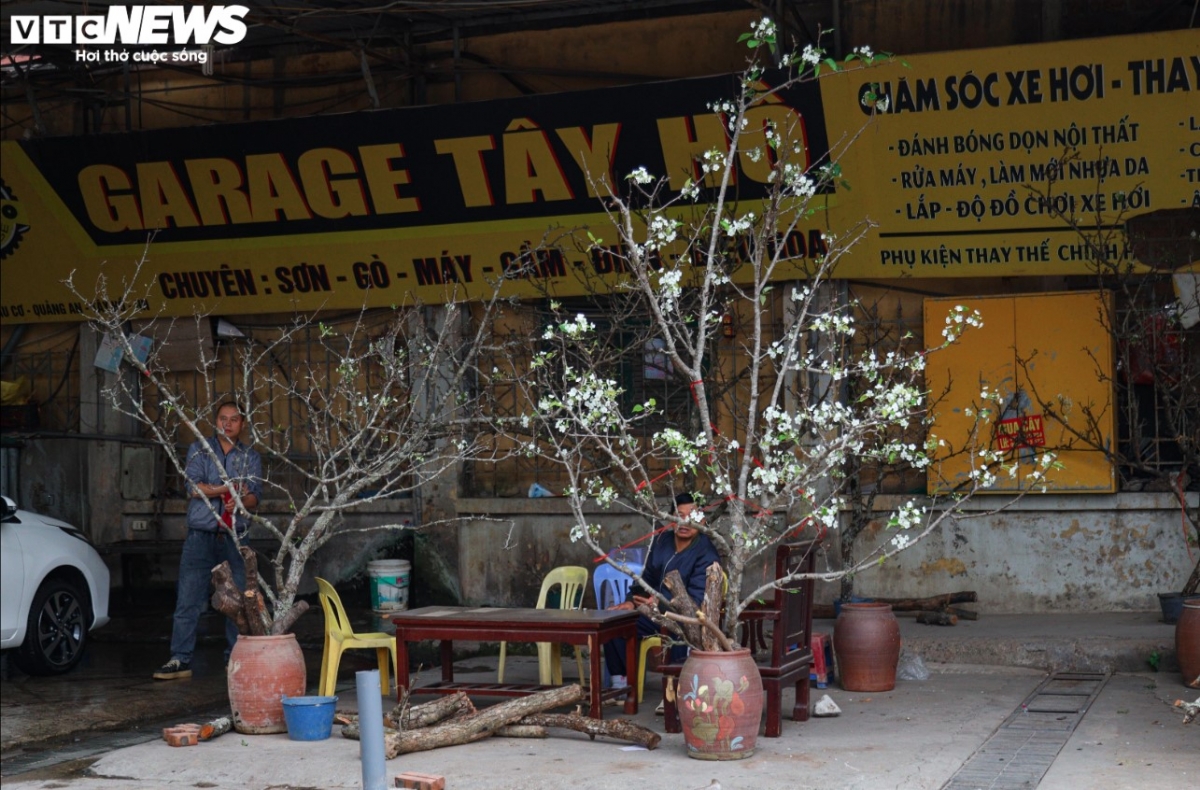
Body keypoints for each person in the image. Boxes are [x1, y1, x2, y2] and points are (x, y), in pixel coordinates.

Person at [154, 401, 262, 680]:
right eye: (223, 418)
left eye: (234, 419)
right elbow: (193, 488)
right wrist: (229, 489)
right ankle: (180, 659)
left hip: (235, 536)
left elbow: (255, 497)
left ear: (242, 424)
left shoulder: (250, 456)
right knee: (188, 599)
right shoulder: (200, 450)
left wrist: (240, 501)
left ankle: (234, 659)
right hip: (200, 536)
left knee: (238, 600)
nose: (228, 424)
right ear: (216, 422)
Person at [603, 492, 720, 709]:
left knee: (678, 630)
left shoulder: (705, 552)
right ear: (670, 518)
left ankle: (674, 691)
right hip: (653, 612)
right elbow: (646, 579)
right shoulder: (662, 541)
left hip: (684, 617)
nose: (684, 522)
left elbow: (695, 600)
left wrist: (659, 603)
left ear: (702, 521)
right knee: (616, 621)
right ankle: (621, 684)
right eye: (679, 515)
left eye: (692, 517)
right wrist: (630, 601)